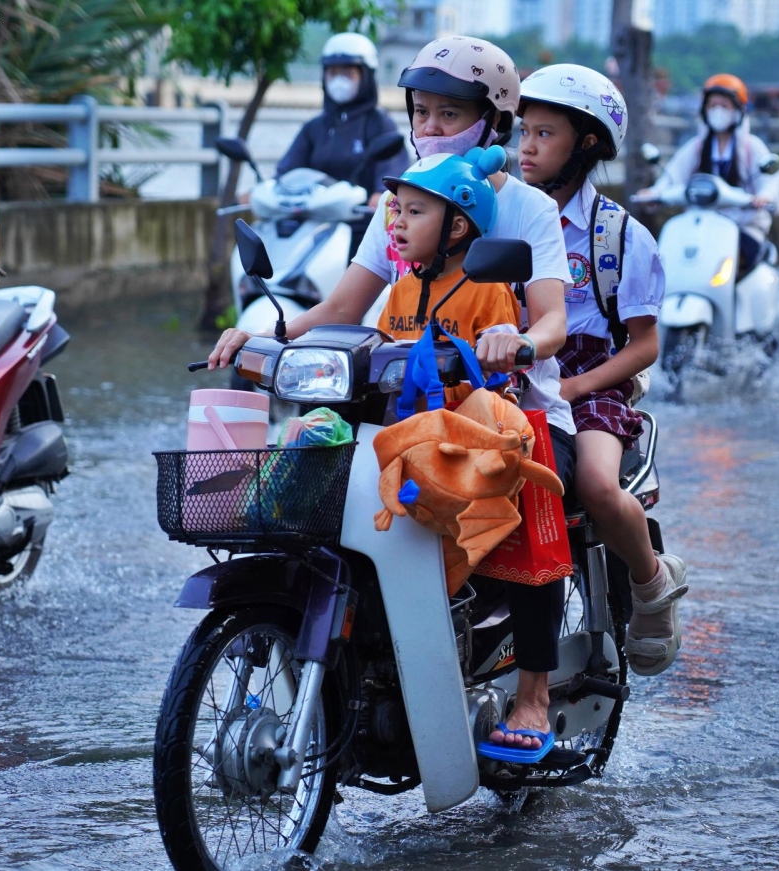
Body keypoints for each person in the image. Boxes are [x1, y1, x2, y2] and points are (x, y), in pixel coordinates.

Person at [210, 36, 577, 756]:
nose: (431, 129)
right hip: (404, 405)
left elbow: (555, 316)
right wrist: (266, 330)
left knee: (537, 486)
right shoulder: (403, 203)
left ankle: (533, 692)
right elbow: (339, 309)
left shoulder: (526, 210)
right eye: (422, 114)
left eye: (450, 114)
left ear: (493, 123)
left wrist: (523, 340)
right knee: (311, 454)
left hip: (505, 404)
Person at [517, 64, 688, 677]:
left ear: (585, 144)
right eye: (523, 132)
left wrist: (573, 385)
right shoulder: (498, 215)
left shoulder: (618, 236)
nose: (525, 147)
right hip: (511, 366)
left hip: (591, 377)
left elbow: (644, 346)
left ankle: (649, 580)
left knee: (591, 480)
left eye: (544, 134)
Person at [378, 144, 520, 406]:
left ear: (456, 227)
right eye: (399, 210)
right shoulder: (400, 289)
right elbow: (378, 361)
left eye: (414, 211)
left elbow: (500, 372)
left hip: (468, 430)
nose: (398, 222)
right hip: (405, 426)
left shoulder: (488, 290)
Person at [274, 33, 409, 257]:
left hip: (360, 232)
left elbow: (391, 172)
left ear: (365, 76)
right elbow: (286, 171)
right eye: (333, 73)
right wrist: (267, 189)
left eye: (347, 73)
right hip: (314, 230)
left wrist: (380, 194)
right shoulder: (315, 127)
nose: (339, 80)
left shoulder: (379, 124)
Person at [637, 73, 779, 277]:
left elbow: (769, 182)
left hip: (743, 226)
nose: (717, 111)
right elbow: (672, 175)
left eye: (724, 105)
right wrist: (654, 192)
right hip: (700, 226)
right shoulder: (696, 148)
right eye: (712, 105)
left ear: (739, 110)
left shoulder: (753, 148)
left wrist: (764, 196)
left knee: (734, 264)